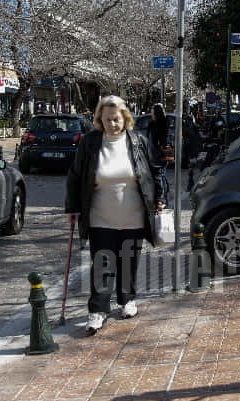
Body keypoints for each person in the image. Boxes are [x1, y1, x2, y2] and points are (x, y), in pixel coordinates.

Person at [65, 95, 165, 334]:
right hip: (101, 216)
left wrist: (160, 198)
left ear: (125, 118)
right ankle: (97, 310)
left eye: (117, 119)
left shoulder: (138, 140)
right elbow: (75, 176)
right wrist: (73, 207)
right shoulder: (90, 143)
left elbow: (155, 171)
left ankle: (127, 300)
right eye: (107, 119)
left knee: (129, 260)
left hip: (133, 214)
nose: (112, 124)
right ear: (100, 118)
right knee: (102, 263)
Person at [147, 103, 171, 199]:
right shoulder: (164, 122)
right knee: (162, 174)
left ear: (156, 113)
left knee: (160, 174)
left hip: (158, 153)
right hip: (165, 151)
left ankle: (163, 196)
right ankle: (164, 193)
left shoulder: (156, 124)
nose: (151, 114)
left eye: (152, 112)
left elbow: (158, 140)